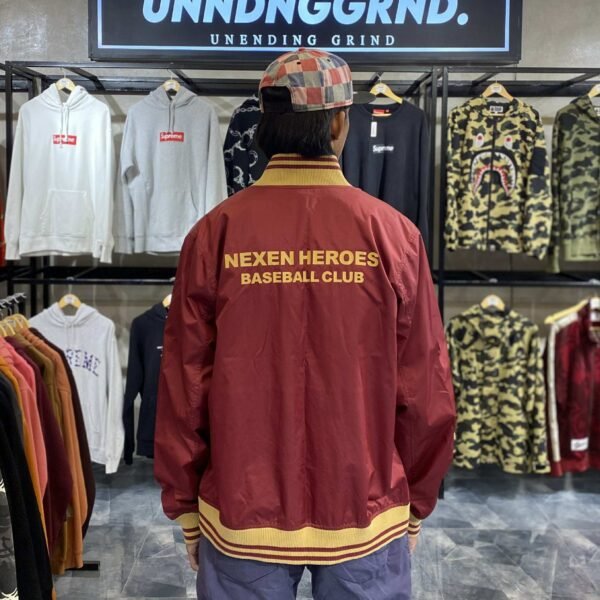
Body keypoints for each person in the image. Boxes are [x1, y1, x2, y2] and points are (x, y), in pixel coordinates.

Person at [154, 48, 456, 600]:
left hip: (241, 514)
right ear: (340, 123)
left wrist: (185, 504)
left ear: (265, 126)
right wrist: (415, 503)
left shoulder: (214, 233)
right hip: (365, 511)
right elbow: (425, 390)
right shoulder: (394, 235)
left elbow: (183, 384)